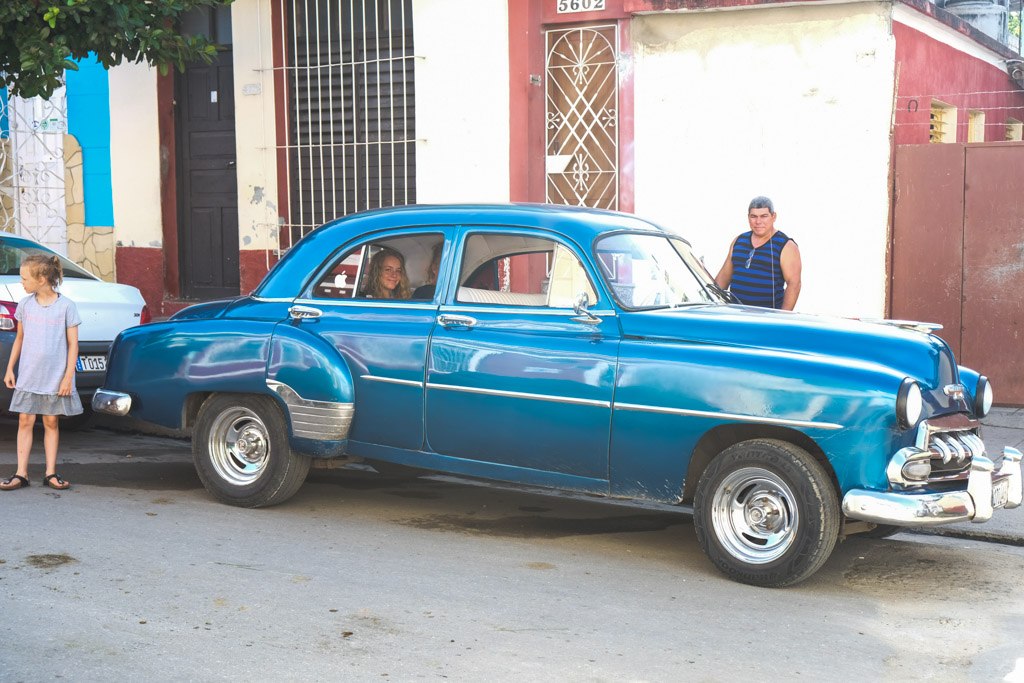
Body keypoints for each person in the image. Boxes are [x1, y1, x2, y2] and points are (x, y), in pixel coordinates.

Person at [1, 254, 83, 491]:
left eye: (25, 278)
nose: (21, 282)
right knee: (25, 420)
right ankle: (21, 473)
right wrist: (10, 368)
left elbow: (73, 345)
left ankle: (50, 473)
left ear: (42, 279)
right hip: (29, 375)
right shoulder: (25, 305)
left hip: (55, 377)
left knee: (50, 421)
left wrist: (68, 376)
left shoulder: (66, 306)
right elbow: (19, 338)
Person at [715, 196, 802, 310]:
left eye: (764, 216)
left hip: (765, 320)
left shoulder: (786, 246)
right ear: (748, 217)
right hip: (735, 316)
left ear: (773, 216)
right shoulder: (738, 241)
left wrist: (782, 319)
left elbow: (794, 285)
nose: (758, 221)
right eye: (753, 216)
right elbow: (722, 280)